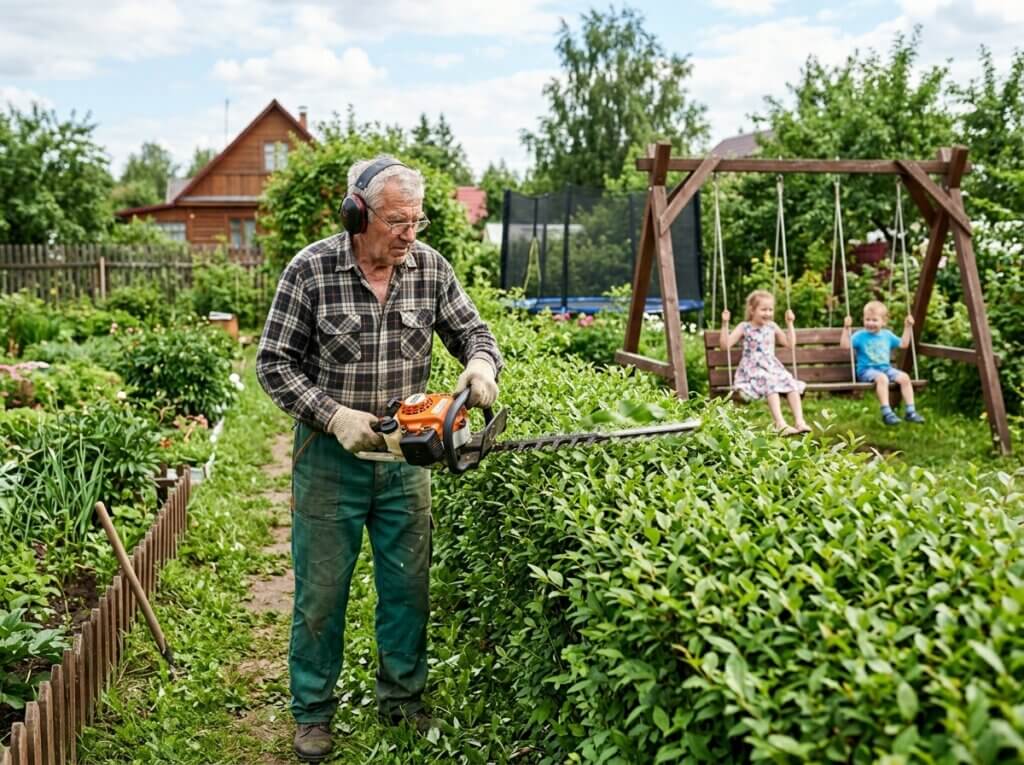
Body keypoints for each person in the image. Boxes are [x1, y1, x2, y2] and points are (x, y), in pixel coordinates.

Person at [256, 156, 502, 762]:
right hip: (330, 459)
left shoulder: (429, 269)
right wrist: (334, 415)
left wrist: (480, 365)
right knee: (321, 593)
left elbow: (476, 332)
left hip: (405, 461)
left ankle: (402, 700)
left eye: (415, 220)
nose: (409, 233)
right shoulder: (311, 271)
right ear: (356, 213)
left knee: (407, 588)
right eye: (396, 221)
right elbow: (273, 364)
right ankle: (313, 712)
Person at [720, 290, 811, 435]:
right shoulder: (745, 327)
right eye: (763, 309)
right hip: (752, 368)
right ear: (752, 310)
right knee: (770, 382)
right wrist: (725, 324)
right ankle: (780, 423)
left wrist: (790, 324)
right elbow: (725, 345)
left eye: (770, 309)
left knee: (790, 382)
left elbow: (790, 344)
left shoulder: (772, 326)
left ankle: (800, 422)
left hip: (771, 366)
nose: (768, 313)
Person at [840, 300, 924, 425]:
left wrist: (907, 327)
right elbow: (845, 345)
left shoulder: (887, 335)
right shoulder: (860, 336)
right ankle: (887, 412)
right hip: (866, 371)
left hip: (885, 368)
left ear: (883, 322)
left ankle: (910, 411)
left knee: (905, 378)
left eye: (874, 320)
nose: (870, 323)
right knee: (882, 378)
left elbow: (903, 344)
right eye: (867, 319)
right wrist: (846, 328)